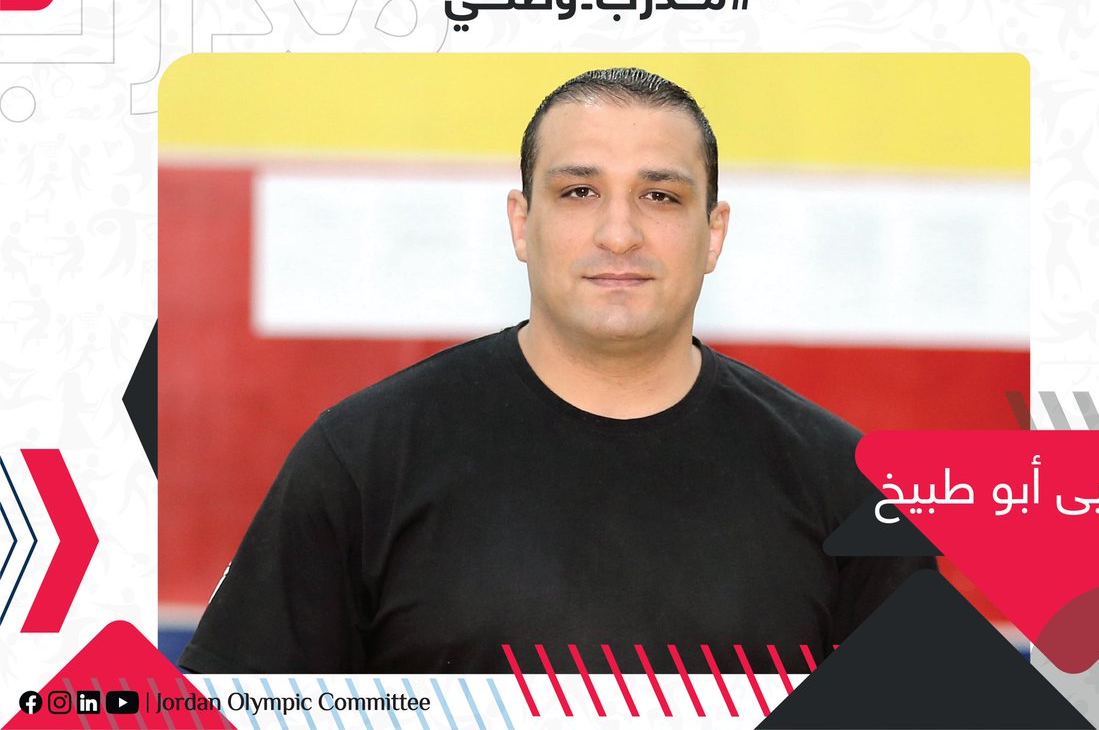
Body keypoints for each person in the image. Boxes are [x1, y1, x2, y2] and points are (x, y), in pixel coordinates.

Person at [178, 66, 934, 675]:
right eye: (579, 192)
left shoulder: (850, 491)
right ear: (521, 222)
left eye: (660, 195)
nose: (619, 232)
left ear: (713, 232)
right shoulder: (364, 459)